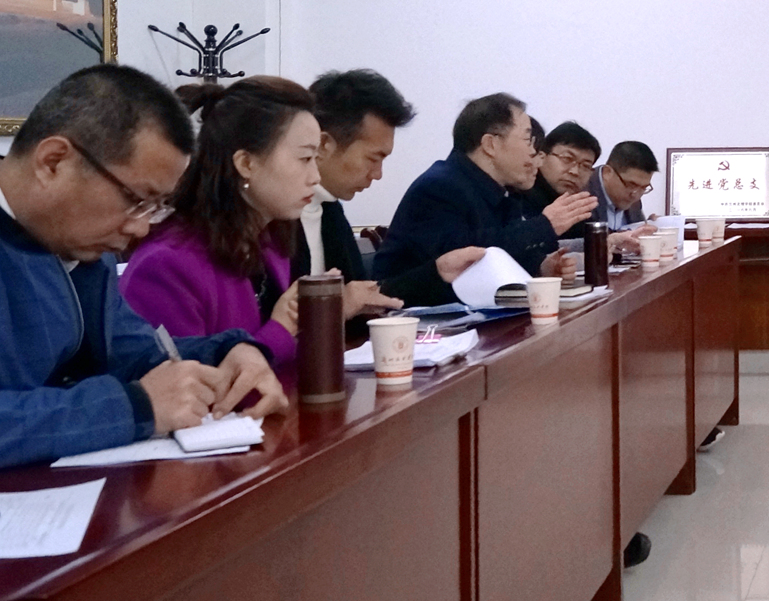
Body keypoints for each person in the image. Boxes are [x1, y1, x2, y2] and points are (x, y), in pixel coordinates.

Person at [0, 65, 286, 469]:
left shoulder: (85, 248)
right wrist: (134, 407)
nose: (140, 228)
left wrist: (228, 354)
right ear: (53, 162)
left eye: (156, 207)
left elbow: (134, 349)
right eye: (136, 200)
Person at [123, 78, 400, 365]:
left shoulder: (272, 242)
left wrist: (321, 316)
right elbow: (186, 383)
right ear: (246, 163)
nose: (315, 177)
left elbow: (288, 359)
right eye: (305, 158)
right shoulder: (168, 264)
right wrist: (283, 328)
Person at [374, 94, 598, 306]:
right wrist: (544, 225)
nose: (532, 154)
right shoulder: (440, 187)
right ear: (491, 145)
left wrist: (542, 266)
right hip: (408, 318)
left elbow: (505, 252)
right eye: (527, 140)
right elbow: (468, 260)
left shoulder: (503, 191)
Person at [295, 69, 485, 310]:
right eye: (373, 159)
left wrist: (437, 273)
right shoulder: (274, 217)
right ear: (323, 145)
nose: (378, 174)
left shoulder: (329, 210)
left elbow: (361, 298)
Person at [523, 121, 604, 240]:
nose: (575, 172)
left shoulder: (577, 205)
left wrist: (612, 240)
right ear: (541, 157)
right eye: (567, 158)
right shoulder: (519, 196)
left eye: (585, 166)